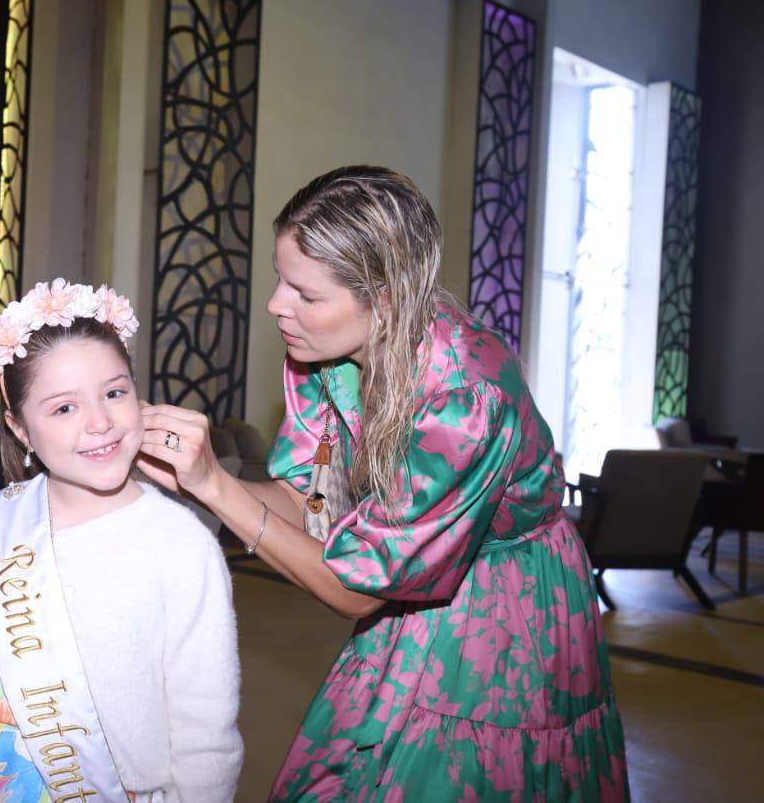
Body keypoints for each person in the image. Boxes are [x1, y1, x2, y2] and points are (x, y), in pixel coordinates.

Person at [138, 167, 629, 801]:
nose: (276, 305)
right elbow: (308, 502)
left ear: (388, 299)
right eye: (279, 278)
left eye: (305, 293)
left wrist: (217, 486)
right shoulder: (323, 357)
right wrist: (196, 480)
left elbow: (356, 589)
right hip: (404, 572)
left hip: (505, 604)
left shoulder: (464, 398)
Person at [0, 279, 242, 802]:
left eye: (114, 392)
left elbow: (205, 729)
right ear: (19, 428)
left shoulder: (180, 544)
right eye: (64, 408)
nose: (101, 422)